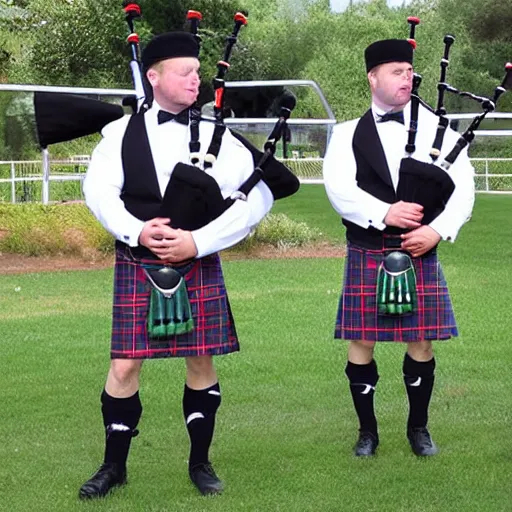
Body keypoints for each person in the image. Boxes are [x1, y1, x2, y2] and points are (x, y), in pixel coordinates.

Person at [79, 31, 273, 499]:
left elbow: (258, 195)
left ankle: (200, 462)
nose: (196, 80)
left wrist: (199, 241)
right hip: (138, 260)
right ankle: (113, 466)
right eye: (185, 72)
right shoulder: (119, 134)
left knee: (200, 360)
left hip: (195, 261)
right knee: (124, 367)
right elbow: (98, 192)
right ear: (153, 76)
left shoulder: (217, 135)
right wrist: (136, 230)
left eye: (198, 72)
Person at [322, 39, 474, 457]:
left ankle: (418, 428)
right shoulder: (347, 134)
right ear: (372, 77)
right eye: (395, 71)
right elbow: (339, 189)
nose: (406, 78)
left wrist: (438, 231)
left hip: (419, 249)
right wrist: (385, 212)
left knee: (422, 341)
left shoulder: (437, 130)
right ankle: (367, 431)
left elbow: (464, 189)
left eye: (409, 71)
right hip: (369, 247)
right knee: (361, 341)